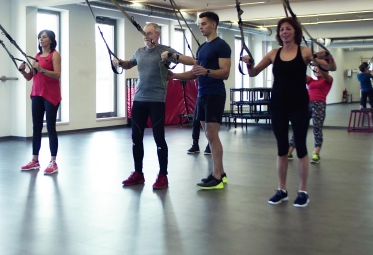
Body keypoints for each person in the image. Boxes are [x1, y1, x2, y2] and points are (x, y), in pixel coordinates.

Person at [242, 17, 336, 207]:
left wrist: (326, 55)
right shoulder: (273, 54)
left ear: (295, 32)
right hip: (278, 104)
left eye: (288, 29)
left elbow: (331, 67)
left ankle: (302, 191)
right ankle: (282, 189)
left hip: (299, 104)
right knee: (282, 147)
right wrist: (249, 63)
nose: (285, 32)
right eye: (282, 29)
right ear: (279, 33)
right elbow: (253, 73)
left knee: (300, 146)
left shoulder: (305, 52)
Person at [168, 11, 231, 190]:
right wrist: (173, 76)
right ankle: (221, 172)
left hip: (215, 94)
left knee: (212, 135)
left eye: (203, 24)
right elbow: (193, 73)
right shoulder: (202, 48)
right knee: (208, 135)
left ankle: (217, 176)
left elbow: (225, 73)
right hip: (202, 94)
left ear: (213, 25)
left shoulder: (222, 46)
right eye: (199, 24)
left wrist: (207, 72)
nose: (201, 27)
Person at [113, 23, 181, 189]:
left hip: (157, 99)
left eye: (148, 32)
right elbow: (130, 64)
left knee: (159, 138)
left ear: (157, 35)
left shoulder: (165, 49)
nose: (145, 35)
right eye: (144, 32)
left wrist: (169, 56)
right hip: (139, 99)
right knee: (136, 138)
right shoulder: (139, 52)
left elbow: (179, 59)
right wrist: (120, 62)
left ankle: (163, 175)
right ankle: (138, 173)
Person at [18, 30, 62, 175]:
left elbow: (57, 75)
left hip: (51, 96)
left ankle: (53, 162)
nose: (41, 39)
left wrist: (42, 69)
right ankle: (35, 160)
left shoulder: (55, 55)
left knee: (50, 128)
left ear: (50, 40)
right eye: (39, 37)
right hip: (36, 94)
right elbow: (30, 77)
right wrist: (23, 71)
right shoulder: (36, 57)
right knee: (36, 127)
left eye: (44, 37)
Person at [288, 66, 333, 164]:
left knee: (317, 128)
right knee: (298, 128)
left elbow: (326, 74)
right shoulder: (311, 81)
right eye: (315, 70)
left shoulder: (328, 80)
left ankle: (316, 153)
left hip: (319, 105)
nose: (317, 71)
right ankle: (289, 151)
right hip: (307, 104)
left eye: (319, 69)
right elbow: (299, 73)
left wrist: (319, 65)